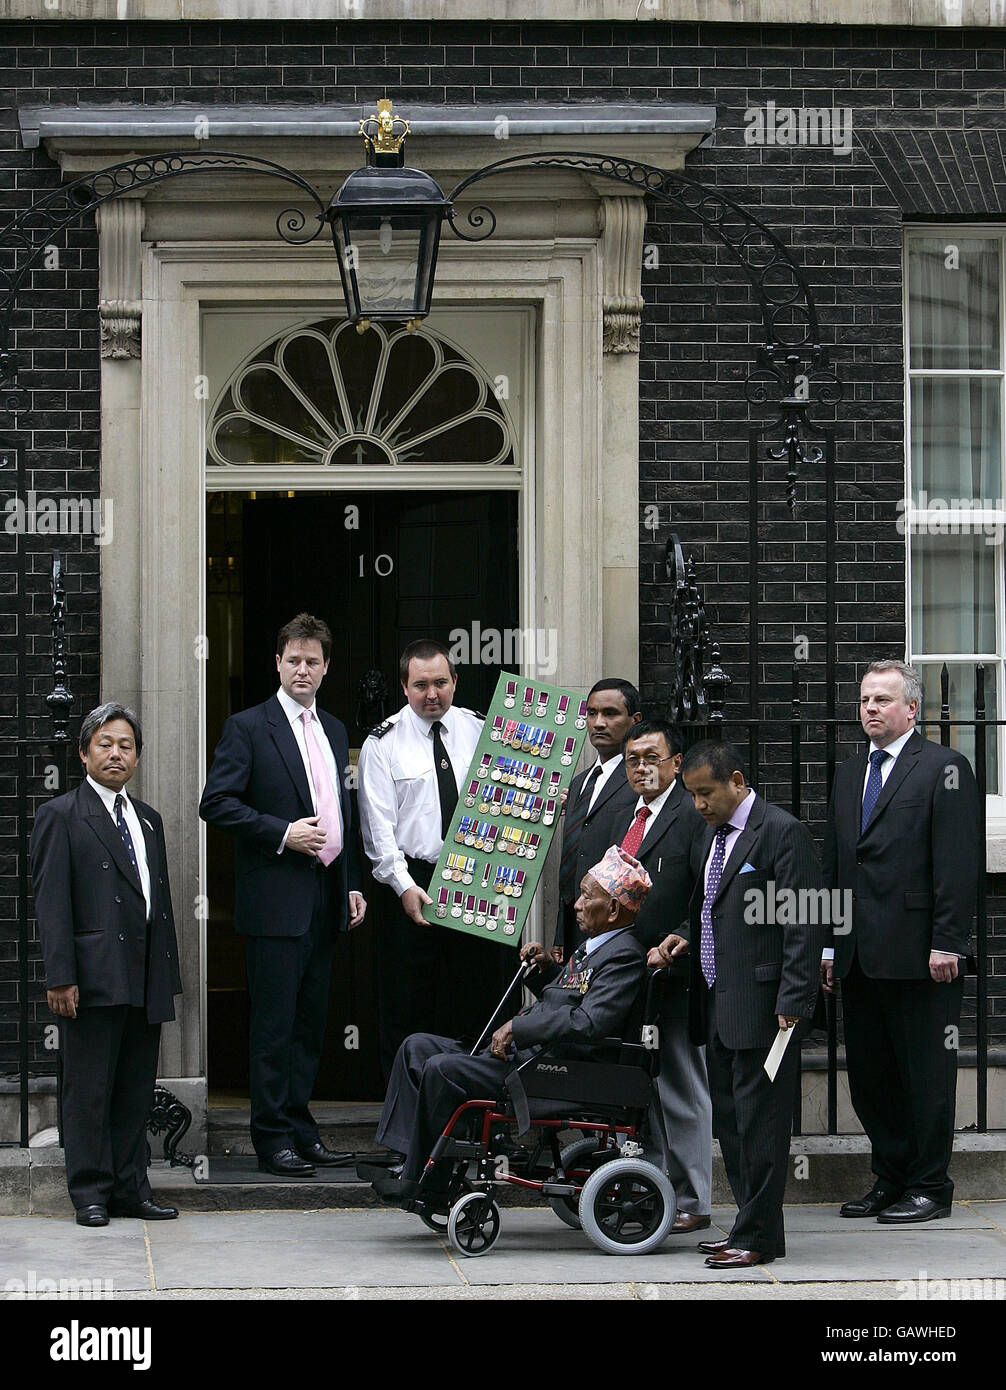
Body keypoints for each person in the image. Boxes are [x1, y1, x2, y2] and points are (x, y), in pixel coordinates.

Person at [368, 845, 650, 1208]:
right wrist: (547, 969)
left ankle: (429, 1183)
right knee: (416, 1047)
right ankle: (411, 1161)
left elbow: (588, 1022)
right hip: (531, 1057)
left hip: (555, 1070)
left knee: (442, 1068)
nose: (576, 905)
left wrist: (519, 1027)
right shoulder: (593, 947)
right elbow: (564, 999)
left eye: (585, 896)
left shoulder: (623, 955)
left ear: (613, 909)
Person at [199, 613, 365, 1175]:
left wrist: (351, 885)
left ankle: (301, 1127)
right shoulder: (248, 727)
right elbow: (215, 802)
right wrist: (281, 832)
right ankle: (271, 1140)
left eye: (312, 662)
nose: (302, 670)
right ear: (277, 663)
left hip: (325, 896)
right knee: (274, 1026)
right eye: (293, 660)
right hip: (274, 901)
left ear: (325, 667)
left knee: (309, 1024)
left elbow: (342, 814)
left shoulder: (335, 729)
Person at [822, 659, 979, 1224]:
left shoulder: (944, 768)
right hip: (858, 954)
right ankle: (889, 1179)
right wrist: (827, 944)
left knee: (925, 1078)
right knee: (871, 1078)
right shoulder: (847, 772)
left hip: (920, 956)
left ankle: (930, 1186)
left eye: (883, 700)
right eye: (865, 699)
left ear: (912, 708)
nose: (870, 709)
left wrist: (948, 942)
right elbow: (837, 863)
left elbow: (958, 866)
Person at [29, 702, 182, 1227]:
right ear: (84, 753)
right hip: (91, 977)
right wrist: (60, 976)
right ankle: (89, 1192)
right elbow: (51, 903)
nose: (116, 754)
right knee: (89, 1087)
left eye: (126, 746)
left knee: (134, 1089)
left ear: (137, 756)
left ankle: (129, 1188)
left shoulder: (149, 820)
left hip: (144, 974)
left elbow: (154, 901)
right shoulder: (60, 816)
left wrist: (166, 974)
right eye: (105, 744)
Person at [680, 740, 825, 1268]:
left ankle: (759, 1238)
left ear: (736, 781)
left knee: (762, 1128)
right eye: (691, 794)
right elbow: (704, 910)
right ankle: (748, 1225)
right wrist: (681, 937)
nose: (698, 804)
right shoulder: (709, 836)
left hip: (766, 1007)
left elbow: (803, 920)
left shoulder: (779, 831)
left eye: (706, 792)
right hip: (718, 1002)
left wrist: (794, 1000)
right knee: (733, 1127)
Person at [357, 639, 489, 1078]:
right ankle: (408, 1127)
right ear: (403, 686)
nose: (431, 694)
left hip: (479, 878)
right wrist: (404, 885)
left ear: (455, 682)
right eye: (420, 685)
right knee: (408, 1005)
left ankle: (479, 1119)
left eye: (440, 683)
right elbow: (378, 827)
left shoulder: (483, 730)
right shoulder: (383, 743)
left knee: (478, 1000)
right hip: (415, 882)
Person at [606, 718, 712, 1235]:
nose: (642, 767)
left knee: (680, 1087)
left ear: (676, 763)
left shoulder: (692, 815)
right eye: (633, 759)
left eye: (653, 757)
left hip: (676, 974)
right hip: (629, 977)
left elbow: (709, 891)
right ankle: (654, 1190)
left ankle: (693, 1197)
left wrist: (685, 936)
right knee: (640, 1088)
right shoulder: (628, 815)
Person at [554, 678, 641, 959]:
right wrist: (560, 931)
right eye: (591, 713)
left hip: (615, 926)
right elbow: (573, 858)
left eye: (610, 714)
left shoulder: (640, 781)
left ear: (635, 720)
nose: (598, 723)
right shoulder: (579, 783)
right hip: (575, 924)